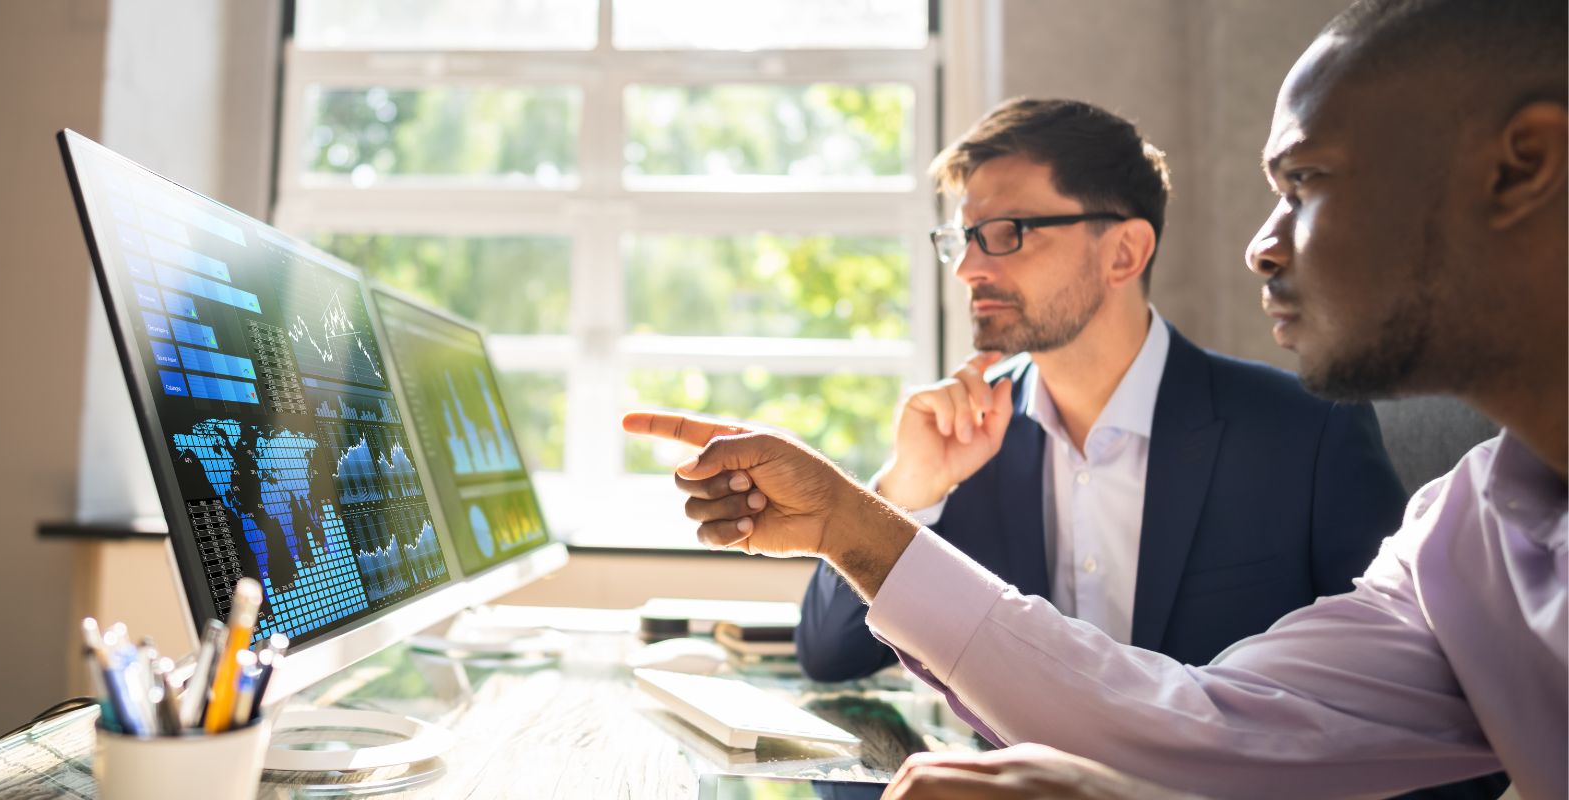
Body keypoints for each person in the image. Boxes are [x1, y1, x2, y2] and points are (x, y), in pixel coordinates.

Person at [624, 0, 1566, 796]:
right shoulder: (1465, 537)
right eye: (965, 241)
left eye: (1306, 182)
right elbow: (1206, 724)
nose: (1262, 246)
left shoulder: (1308, 434)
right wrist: (859, 514)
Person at [797, 98, 1413, 697]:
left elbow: (1400, 691)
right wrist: (907, 492)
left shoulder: (1307, 435)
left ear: (1125, 253)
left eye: (1007, 232)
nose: (967, 269)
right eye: (964, 238)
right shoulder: (962, 442)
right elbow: (830, 654)